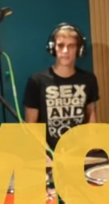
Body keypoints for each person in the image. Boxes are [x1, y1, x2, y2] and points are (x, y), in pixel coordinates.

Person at [24, 23, 100, 152]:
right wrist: (45, 153)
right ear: (53, 48)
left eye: (71, 46)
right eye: (60, 45)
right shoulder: (37, 80)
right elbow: (31, 124)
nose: (65, 51)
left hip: (79, 152)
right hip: (49, 153)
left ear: (79, 49)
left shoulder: (88, 79)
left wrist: (92, 145)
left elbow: (91, 114)